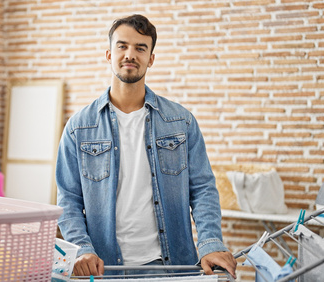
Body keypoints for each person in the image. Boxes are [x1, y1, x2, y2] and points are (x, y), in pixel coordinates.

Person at [56, 14, 237, 278]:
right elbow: (68, 200)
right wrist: (82, 249)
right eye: (122, 46)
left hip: (170, 265)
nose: (130, 54)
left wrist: (210, 243)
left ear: (151, 59)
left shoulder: (181, 122)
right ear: (109, 54)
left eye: (141, 48)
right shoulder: (79, 127)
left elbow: (203, 190)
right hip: (105, 268)